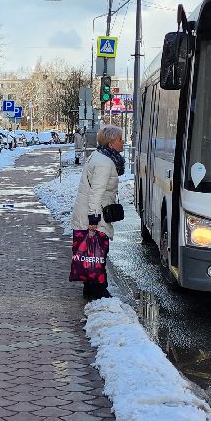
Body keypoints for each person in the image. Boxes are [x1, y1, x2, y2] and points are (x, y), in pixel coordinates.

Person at [71, 124, 124, 300]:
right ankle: (98, 290)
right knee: (97, 253)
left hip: (91, 212)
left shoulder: (100, 156)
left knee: (91, 253)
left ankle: (91, 288)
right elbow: (97, 192)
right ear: (111, 143)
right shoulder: (104, 163)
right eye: (119, 140)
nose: (122, 143)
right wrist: (93, 219)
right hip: (94, 215)